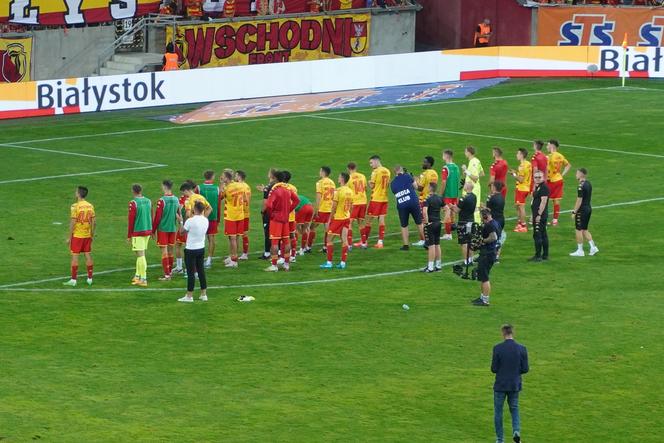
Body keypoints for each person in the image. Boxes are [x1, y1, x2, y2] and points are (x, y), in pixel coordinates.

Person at [491, 324, 529, 443]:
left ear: (503, 333)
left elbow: (494, 368)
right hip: (514, 384)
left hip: (501, 384)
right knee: (514, 409)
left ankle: (500, 439)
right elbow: (525, 369)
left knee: (498, 412)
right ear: (513, 333)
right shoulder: (522, 348)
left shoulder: (497, 348)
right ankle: (516, 431)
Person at [265, 171, 299, 272]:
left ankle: (274, 265)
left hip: (276, 220)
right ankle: (286, 264)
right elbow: (297, 200)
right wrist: (288, 210)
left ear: (276, 179)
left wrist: (271, 214)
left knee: (274, 242)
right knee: (286, 241)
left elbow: (269, 205)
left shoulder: (275, 190)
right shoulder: (288, 189)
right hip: (285, 219)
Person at [63, 186, 95, 287]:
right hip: (87, 235)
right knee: (87, 255)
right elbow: (94, 222)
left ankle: (73, 280)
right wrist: (91, 234)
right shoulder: (90, 206)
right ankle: (90, 278)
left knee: (75, 257)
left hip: (77, 236)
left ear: (78, 194)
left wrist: (69, 237)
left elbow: (73, 223)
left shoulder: (75, 207)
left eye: (76, 191)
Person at [178, 201, 209, 303]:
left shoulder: (190, 221)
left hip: (191, 249)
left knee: (191, 273)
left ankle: (189, 296)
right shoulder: (206, 220)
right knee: (201, 271)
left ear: (194, 209)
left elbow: (182, 232)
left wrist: (181, 221)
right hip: (201, 248)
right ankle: (203, 294)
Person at [320, 172, 353, 269]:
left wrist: (330, 218)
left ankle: (329, 263)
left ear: (342, 179)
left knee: (329, 239)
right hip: (346, 217)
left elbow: (334, 206)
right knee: (344, 239)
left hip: (338, 218)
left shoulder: (338, 191)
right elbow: (351, 206)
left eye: (339, 177)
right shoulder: (350, 191)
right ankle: (343, 263)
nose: (338, 178)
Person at [151, 179, 181, 281]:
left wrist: (153, 230)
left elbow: (158, 217)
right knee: (170, 251)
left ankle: (167, 275)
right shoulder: (176, 199)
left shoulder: (162, 200)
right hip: (172, 228)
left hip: (163, 229)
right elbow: (179, 214)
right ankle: (170, 272)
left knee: (164, 252)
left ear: (164, 186)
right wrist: (180, 225)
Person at [390, 165, 425, 251]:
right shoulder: (408, 176)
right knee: (419, 222)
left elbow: (396, 193)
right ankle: (426, 241)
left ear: (395, 173)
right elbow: (416, 187)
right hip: (413, 202)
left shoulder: (392, 183)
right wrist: (415, 179)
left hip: (402, 204)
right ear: (402, 170)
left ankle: (406, 245)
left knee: (404, 225)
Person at [471, 208, 501, 307]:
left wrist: (483, 240)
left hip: (487, 253)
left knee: (485, 278)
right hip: (490, 252)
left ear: (485, 216)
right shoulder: (495, 223)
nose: (481, 219)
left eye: (482, 217)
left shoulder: (490, 225)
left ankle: (485, 300)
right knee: (483, 276)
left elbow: (493, 237)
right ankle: (482, 297)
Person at [363, 155, 391, 248]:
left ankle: (364, 241)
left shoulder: (375, 172)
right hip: (384, 198)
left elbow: (372, 186)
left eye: (371, 163)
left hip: (376, 199)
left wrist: (368, 182)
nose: (371, 165)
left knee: (368, 220)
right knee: (382, 220)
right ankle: (380, 242)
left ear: (376, 161)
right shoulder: (387, 171)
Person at [570, 168, 599, 257]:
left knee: (578, 230)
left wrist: (574, 212)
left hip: (582, 210)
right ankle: (593, 247)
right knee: (584, 229)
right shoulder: (588, 183)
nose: (576, 175)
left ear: (581, 174)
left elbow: (579, 200)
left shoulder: (580, 186)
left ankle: (580, 251)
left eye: (577, 173)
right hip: (588, 208)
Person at [127, 184, 152, 287]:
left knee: (141, 255)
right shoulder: (149, 201)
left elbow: (131, 220)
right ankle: (137, 276)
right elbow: (151, 214)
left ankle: (143, 278)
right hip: (148, 230)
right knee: (139, 254)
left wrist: (129, 235)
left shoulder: (133, 203)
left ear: (133, 191)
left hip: (138, 232)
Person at [220, 169, 245, 268]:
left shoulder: (227, 189)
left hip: (231, 216)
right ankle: (232, 257)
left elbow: (220, 197)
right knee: (235, 238)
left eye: (222, 176)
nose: (221, 177)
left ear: (226, 178)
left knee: (232, 238)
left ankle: (234, 261)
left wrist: (221, 184)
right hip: (240, 214)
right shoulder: (240, 185)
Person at [308, 166, 336, 252]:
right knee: (327, 228)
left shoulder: (320, 183)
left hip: (322, 209)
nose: (319, 172)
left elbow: (318, 198)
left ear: (323, 172)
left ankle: (308, 247)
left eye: (320, 171)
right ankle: (326, 247)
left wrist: (316, 210)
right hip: (330, 208)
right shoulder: (332, 182)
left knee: (312, 227)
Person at [197, 170, 220, 269]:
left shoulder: (199, 188)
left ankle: (199, 259)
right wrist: (218, 218)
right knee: (211, 239)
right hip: (212, 216)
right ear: (213, 177)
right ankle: (209, 260)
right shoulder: (217, 189)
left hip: (201, 217)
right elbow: (218, 204)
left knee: (199, 238)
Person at [413, 155, 438, 246]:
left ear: (429, 163)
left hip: (424, 200)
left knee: (423, 220)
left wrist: (414, 182)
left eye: (424, 162)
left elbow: (420, 188)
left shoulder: (424, 174)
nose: (423, 163)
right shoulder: (435, 173)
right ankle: (432, 238)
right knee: (431, 219)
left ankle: (424, 240)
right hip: (432, 198)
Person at [451, 180, 477, 265]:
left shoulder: (463, 198)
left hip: (463, 222)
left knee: (464, 242)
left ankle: (466, 261)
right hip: (471, 221)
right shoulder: (474, 196)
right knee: (470, 241)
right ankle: (471, 260)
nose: (464, 186)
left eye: (465, 185)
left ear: (468, 187)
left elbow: (457, 210)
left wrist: (451, 207)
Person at [546, 139, 571, 226]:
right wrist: (562, 175)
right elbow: (568, 165)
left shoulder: (549, 157)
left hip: (550, 181)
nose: (547, 147)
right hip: (559, 180)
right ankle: (555, 220)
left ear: (552, 146)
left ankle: (543, 219)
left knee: (544, 199)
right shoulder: (560, 156)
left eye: (548, 145)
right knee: (556, 200)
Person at [422, 182, 443, 273]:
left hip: (431, 223)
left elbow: (424, 212)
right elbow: (447, 209)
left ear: (430, 188)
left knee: (431, 245)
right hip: (438, 223)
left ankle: (430, 267)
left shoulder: (427, 199)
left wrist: (426, 223)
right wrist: (444, 221)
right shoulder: (439, 198)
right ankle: (438, 265)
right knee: (437, 244)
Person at [440, 149, 461, 241]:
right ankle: (452, 228)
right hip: (455, 194)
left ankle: (448, 234)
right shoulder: (456, 167)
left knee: (447, 213)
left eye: (443, 155)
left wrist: (440, 194)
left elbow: (444, 182)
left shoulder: (445, 168)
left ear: (446, 156)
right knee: (453, 212)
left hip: (448, 194)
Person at [530, 171, 550, 262]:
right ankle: (545, 255)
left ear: (543, 177)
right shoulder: (538, 187)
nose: (537, 179)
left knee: (538, 235)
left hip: (540, 215)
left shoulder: (544, 188)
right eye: (535, 177)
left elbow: (543, 202)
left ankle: (538, 256)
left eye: (539, 177)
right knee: (543, 234)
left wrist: (538, 214)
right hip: (537, 214)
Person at [511, 148, 532, 233]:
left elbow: (521, 179)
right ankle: (520, 223)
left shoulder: (522, 166)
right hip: (527, 187)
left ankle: (523, 225)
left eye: (518, 154)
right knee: (518, 206)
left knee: (521, 207)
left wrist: (514, 174)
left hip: (521, 188)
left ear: (522, 155)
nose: (517, 155)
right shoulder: (528, 163)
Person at [258, 168, 277, 259]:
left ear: (271, 175)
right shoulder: (275, 185)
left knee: (267, 232)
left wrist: (262, 211)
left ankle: (267, 253)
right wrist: (264, 189)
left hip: (268, 212)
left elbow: (266, 202)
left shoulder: (269, 186)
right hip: (275, 212)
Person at [462, 146, 485, 223]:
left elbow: (475, 178)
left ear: (469, 152)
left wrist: (466, 171)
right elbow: (482, 173)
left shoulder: (473, 162)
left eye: (465, 152)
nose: (464, 153)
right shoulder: (476, 161)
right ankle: (476, 225)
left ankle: (476, 225)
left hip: (473, 188)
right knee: (475, 207)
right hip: (475, 187)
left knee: (473, 208)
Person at [347, 162, 367, 249]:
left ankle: (349, 244)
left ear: (348, 169)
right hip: (363, 201)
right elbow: (365, 188)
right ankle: (364, 243)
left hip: (354, 203)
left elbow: (347, 192)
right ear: (356, 167)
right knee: (361, 222)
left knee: (349, 223)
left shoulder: (349, 178)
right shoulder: (362, 176)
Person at [486, 181, 506, 262]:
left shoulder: (491, 197)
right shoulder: (501, 197)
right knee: (498, 238)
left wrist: (483, 207)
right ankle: (496, 257)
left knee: (492, 238)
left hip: (494, 220)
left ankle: (490, 256)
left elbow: (488, 210)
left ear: (494, 187)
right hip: (501, 219)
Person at [235, 170, 251, 260]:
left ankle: (235, 255)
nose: (235, 177)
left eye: (236, 176)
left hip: (240, 213)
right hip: (246, 213)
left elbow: (245, 200)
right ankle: (245, 253)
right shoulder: (247, 186)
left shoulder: (239, 186)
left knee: (236, 235)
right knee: (244, 234)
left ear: (239, 177)